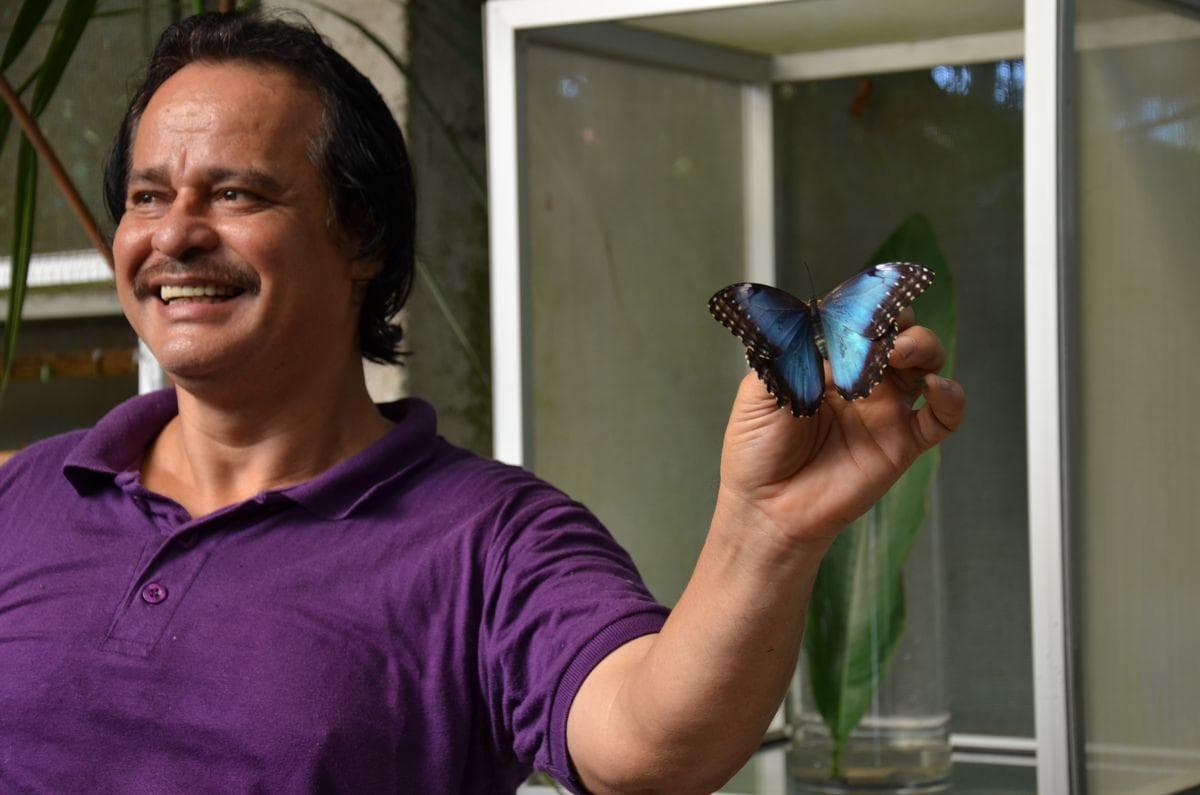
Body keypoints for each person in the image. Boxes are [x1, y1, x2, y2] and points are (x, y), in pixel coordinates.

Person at [0, 11, 964, 794]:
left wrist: (767, 529)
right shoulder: (26, 494)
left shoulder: (494, 540)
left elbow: (647, 747)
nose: (173, 235)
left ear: (361, 234)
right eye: (146, 196)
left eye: (236, 194)